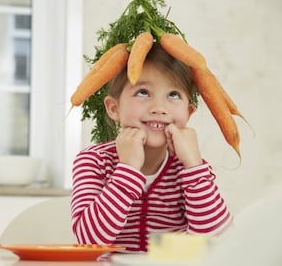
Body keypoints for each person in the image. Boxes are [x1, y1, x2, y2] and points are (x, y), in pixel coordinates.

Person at [70, 43, 233, 253]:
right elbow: (88, 241)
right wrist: (128, 169)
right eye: (143, 92)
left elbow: (221, 241)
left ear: (188, 113)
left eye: (173, 95)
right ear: (113, 108)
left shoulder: (190, 169)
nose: (159, 108)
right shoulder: (93, 161)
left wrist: (194, 167)